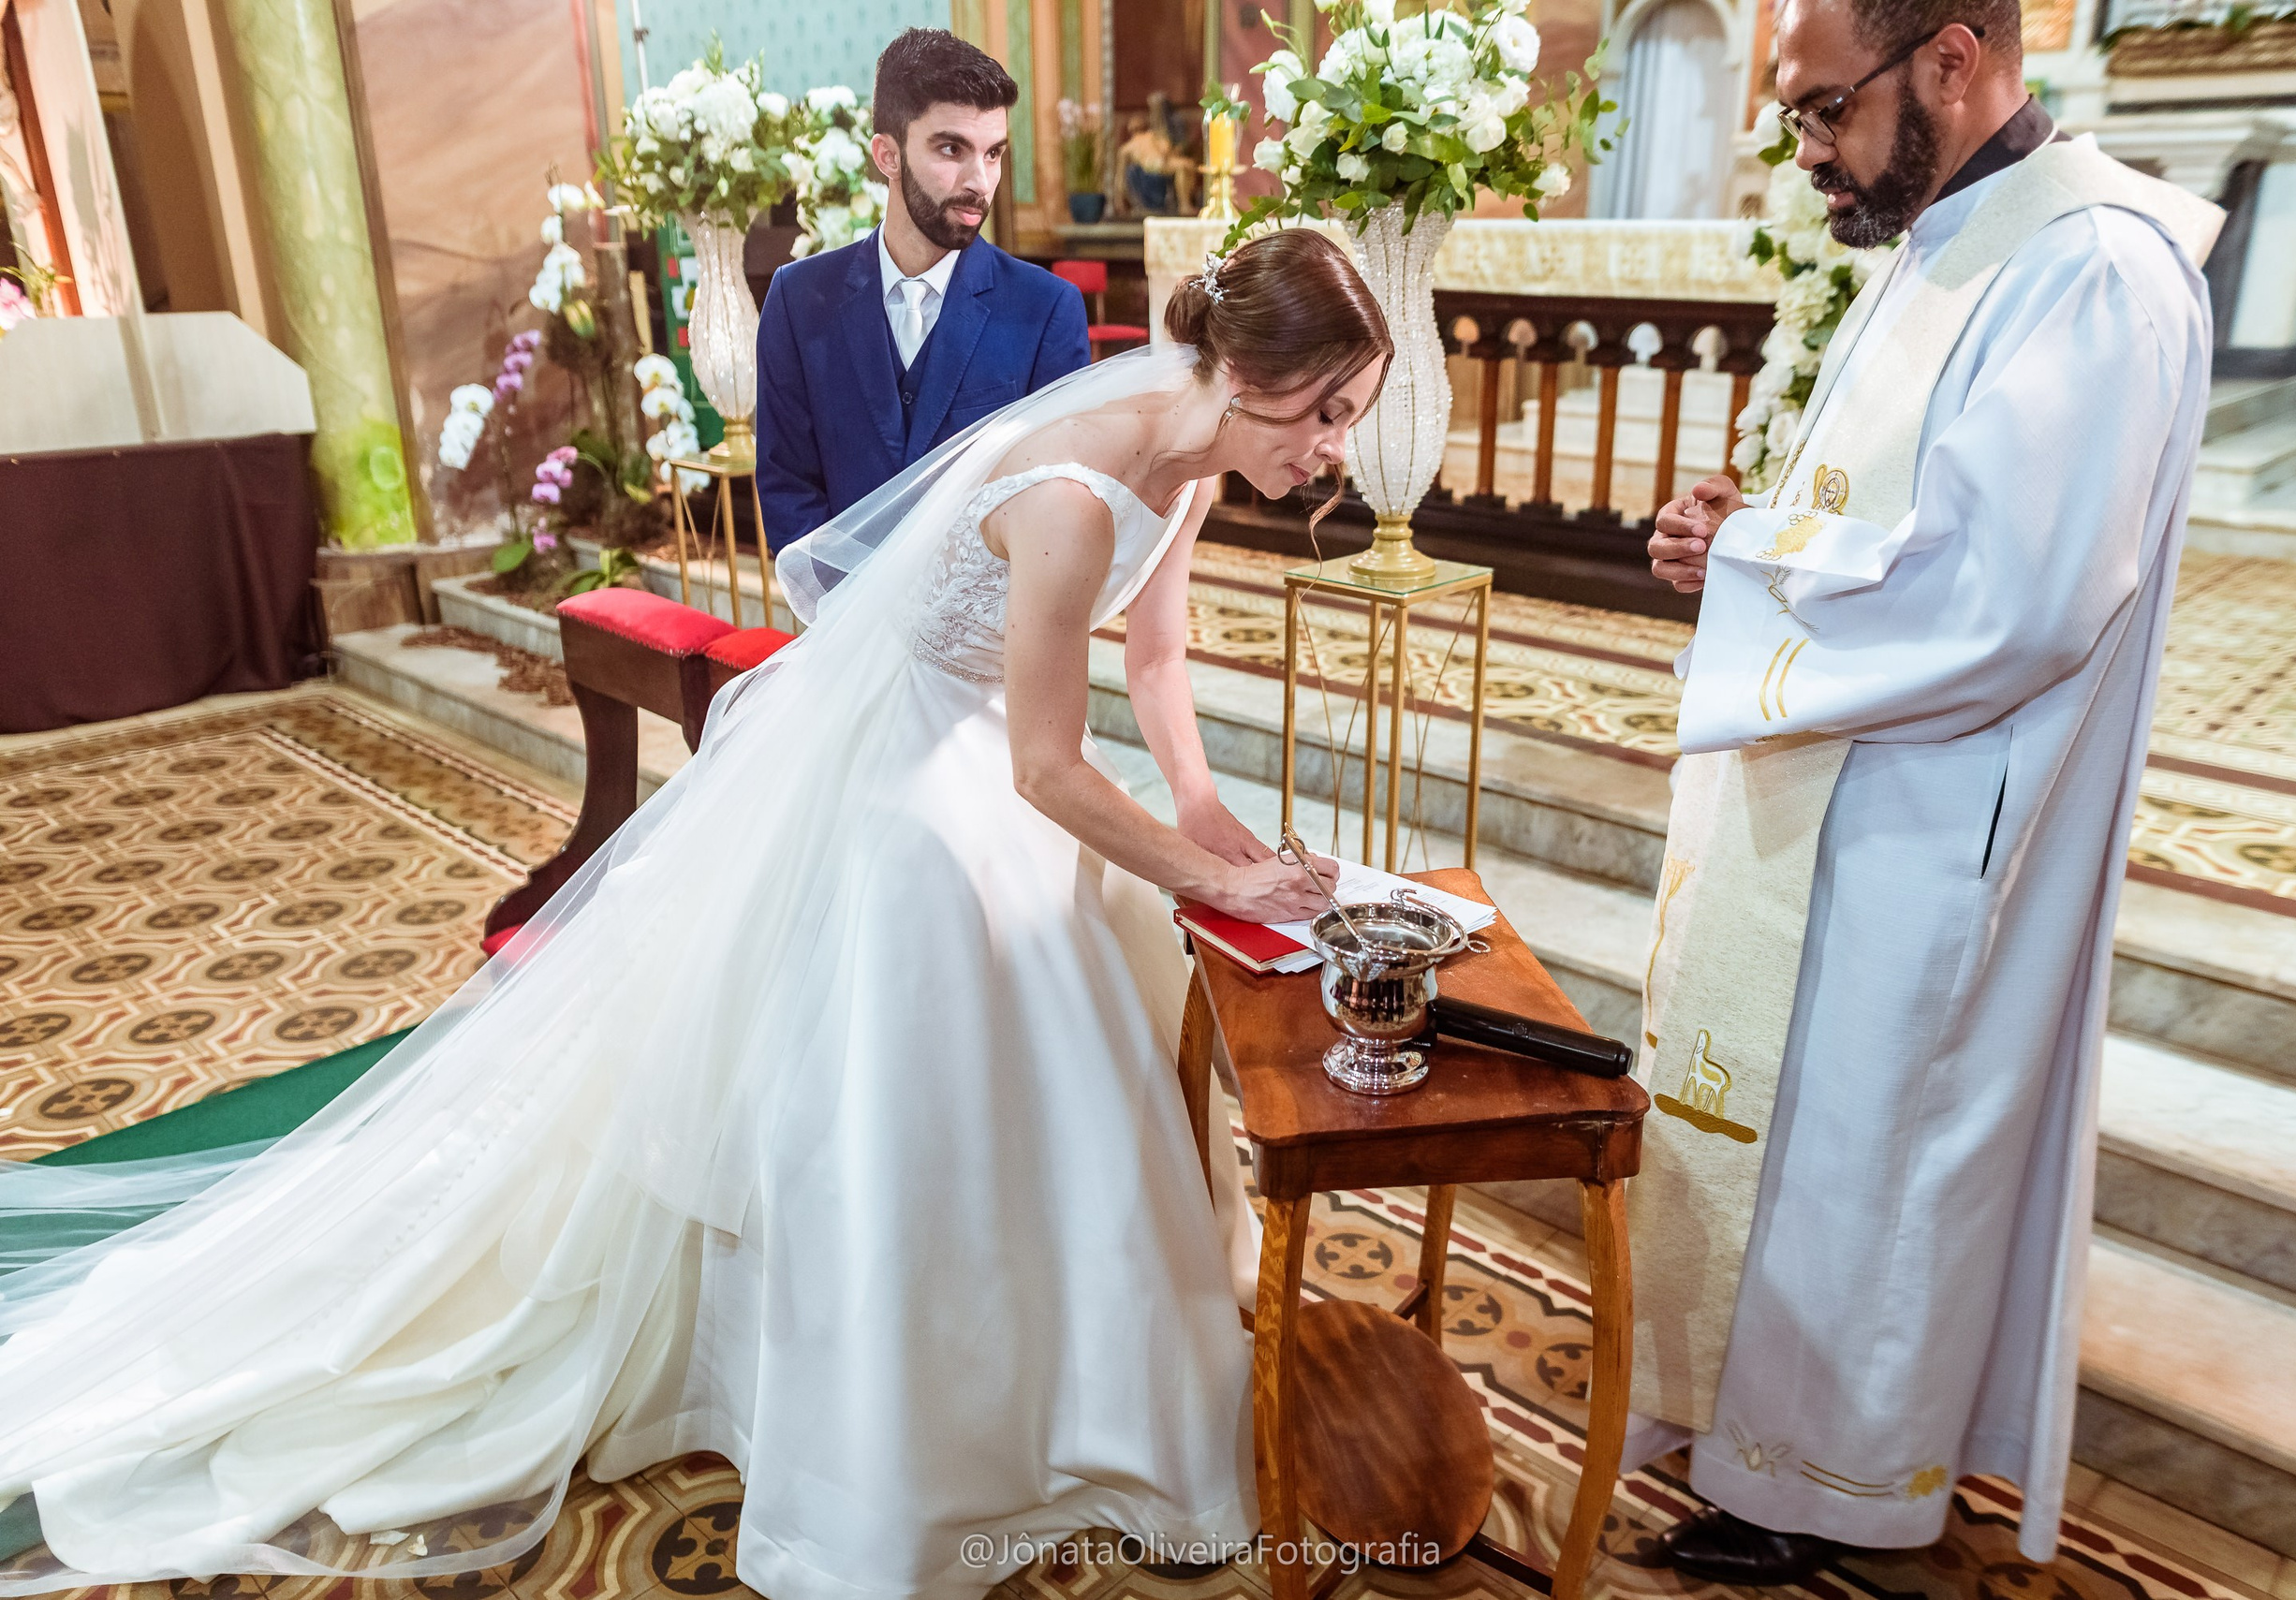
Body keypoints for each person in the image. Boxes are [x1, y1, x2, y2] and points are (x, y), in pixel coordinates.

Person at [0, 230, 1389, 1598]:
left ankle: (1094, 1407)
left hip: (989, 755)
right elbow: (1043, 764)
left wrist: (1211, 822)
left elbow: (1152, 656)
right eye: (1325, 413)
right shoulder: (1081, 487)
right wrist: (1204, 880)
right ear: (1245, 371)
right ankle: (908, 1448)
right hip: (919, 776)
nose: (1331, 450)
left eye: (1348, 419)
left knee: (1076, 1062)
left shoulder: (1192, 458)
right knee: (933, 1078)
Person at [1627, 0, 2220, 1585]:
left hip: (1944, 813)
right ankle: (1772, 1449)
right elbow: (1899, 511)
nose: (1810, 149)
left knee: (1877, 1156)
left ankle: (1840, 1484)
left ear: (1950, 61)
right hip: (1863, 780)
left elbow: (2019, 594)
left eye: (1825, 110)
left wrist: (1757, 568)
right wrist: (1745, 525)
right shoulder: (1955, 236)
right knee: (1820, 1141)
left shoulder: (2092, 267)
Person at [755, 27, 1095, 555]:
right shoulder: (798, 300)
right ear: (887, 155)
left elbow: (1055, 505)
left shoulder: (1047, 310)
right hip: (844, 624)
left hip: (990, 630)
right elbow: (787, 485)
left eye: (993, 154)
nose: (980, 182)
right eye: (952, 149)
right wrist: (847, 616)